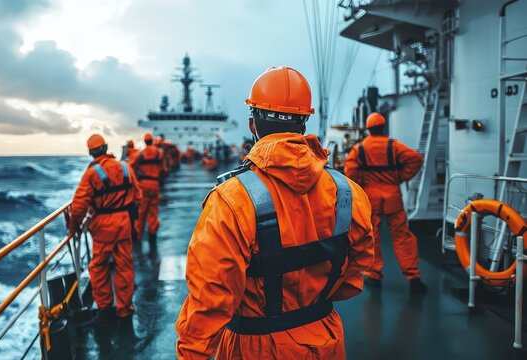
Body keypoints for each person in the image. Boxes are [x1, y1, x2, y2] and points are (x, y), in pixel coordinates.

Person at [176, 66, 375, 359]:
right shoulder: (348, 191)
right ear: (304, 123)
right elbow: (358, 265)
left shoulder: (232, 198)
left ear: (252, 125)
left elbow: (211, 297)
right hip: (325, 338)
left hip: (255, 345)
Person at [344, 112, 427, 293]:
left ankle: (374, 275)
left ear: (369, 128)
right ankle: (413, 277)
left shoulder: (359, 149)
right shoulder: (394, 146)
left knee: (372, 238)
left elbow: (349, 173)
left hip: (371, 198)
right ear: (383, 127)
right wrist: (401, 177)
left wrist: (363, 184)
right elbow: (416, 159)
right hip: (393, 198)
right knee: (402, 237)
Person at [68, 134, 142, 324]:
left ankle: (104, 310)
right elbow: (138, 197)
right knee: (124, 266)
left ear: (91, 152)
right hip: (124, 222)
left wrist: (73, 227)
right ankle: (125, 310)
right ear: (106, 147)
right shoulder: (126, 168)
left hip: (102, 226)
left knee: (99, 267)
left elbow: (78, 206)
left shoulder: (92, 174)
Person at [130, 132, 167, 252]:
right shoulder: (159, 153)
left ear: (145, 141)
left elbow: (129, 168)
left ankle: (138, 239)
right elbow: (164, 169)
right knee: (153, 212)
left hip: (143, 186)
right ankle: (152, 238)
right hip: (155, 185)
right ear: (152, 140)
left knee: (141, 213)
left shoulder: (140, 154)